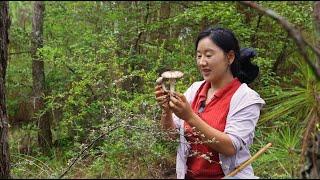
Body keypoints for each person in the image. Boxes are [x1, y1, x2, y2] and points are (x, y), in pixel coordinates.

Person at [154, 27, 265, 179]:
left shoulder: (246, 98)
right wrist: (167, 112)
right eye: (198, 56)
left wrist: (190, 116)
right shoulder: (195, 90)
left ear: (230, 57)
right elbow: (170, 136)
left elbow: (230, 146)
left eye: (208, 55)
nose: (202, 62)